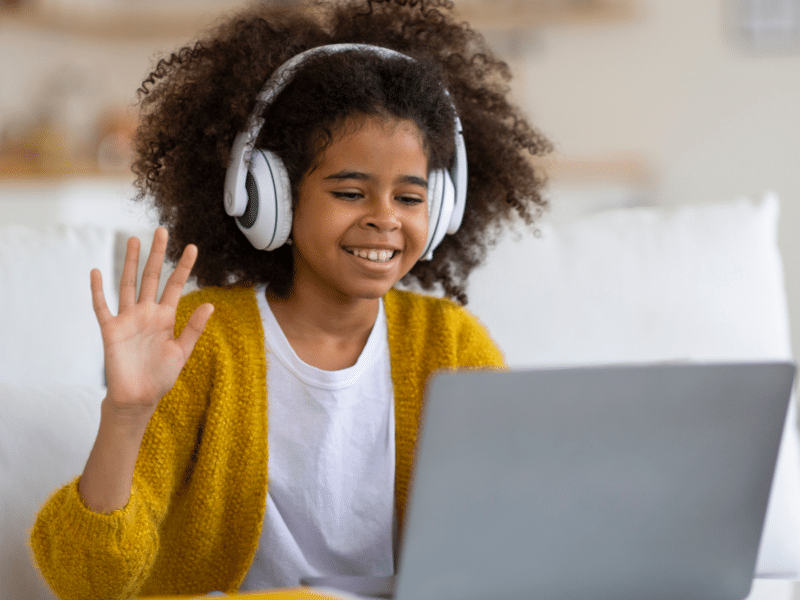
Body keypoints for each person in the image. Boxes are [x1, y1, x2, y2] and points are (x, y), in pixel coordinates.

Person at [30, 0, 551, 598]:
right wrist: (124, 416)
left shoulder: (451, 344)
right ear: (267, 197)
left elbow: (512, 543)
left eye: (409, 198)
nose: (385, 218)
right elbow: (89, 581)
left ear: (440, 212)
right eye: (351, 191)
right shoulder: (203, 342)